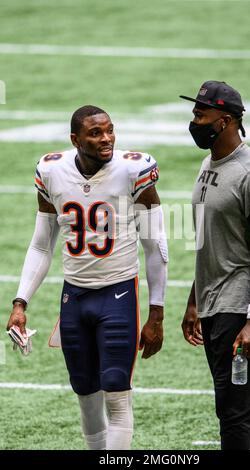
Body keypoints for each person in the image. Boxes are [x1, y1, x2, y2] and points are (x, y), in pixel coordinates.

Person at [6, 105, 168, 450]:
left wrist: (157, 312)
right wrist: (20, 303)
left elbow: (155, 245)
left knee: (116, 392)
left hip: (119, 293)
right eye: (96, 133)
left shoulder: (134, 170)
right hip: (75, 297)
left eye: (110, 130)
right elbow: (41, 245)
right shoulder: (51, 171)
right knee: (85, 393)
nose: (106, 138)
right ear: (75, 139)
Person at [180, 81, 250, 450]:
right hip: (214, 302)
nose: (194, 121)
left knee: (234, 411)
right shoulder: (209, 164)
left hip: (240, 306)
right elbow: (210, 240)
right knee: (244, 404)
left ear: (224, 121)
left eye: (201, 114)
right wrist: (195, 300)